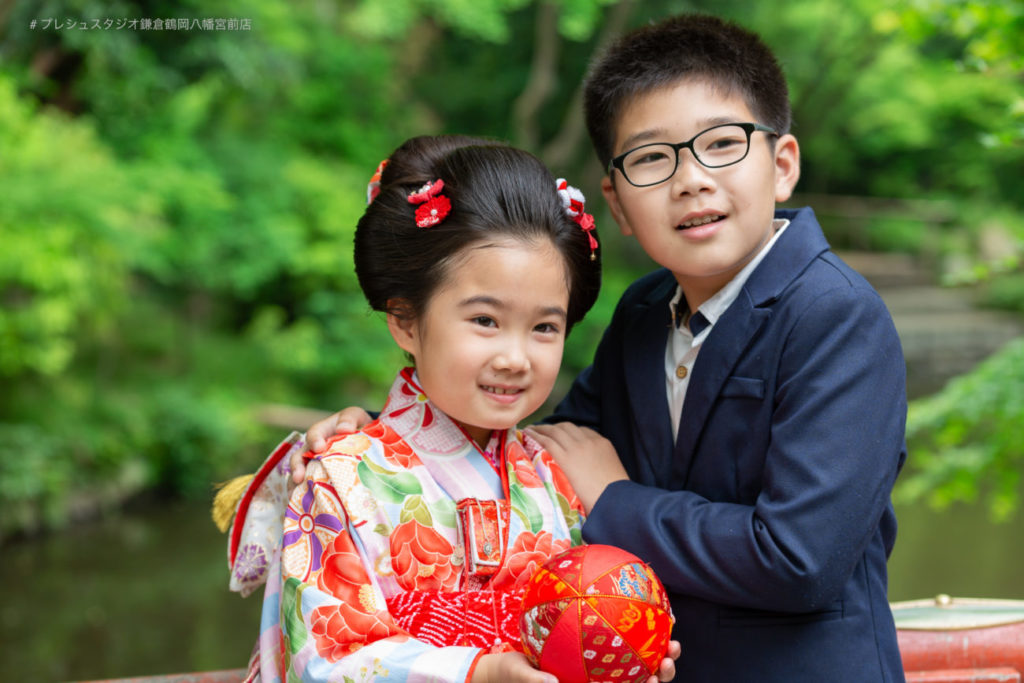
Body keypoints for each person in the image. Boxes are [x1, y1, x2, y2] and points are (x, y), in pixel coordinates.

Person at [297, 13, 909, 683]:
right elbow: (539, 444)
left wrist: (615, 499)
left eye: (722, 145)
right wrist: (378, 435)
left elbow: (800, 559)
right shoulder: (646, 313)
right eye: (653, 156)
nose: (692, 179)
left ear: (783, 164)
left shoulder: (835, 315)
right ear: (616, 203)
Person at [223, 134, 679, 683]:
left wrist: (627, 652)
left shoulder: (554, 474)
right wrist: (479, 673)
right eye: (485, 320)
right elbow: (325, 661)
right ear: (406, 321)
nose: (515, 358)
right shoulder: (339, 479)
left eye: (544, 327)